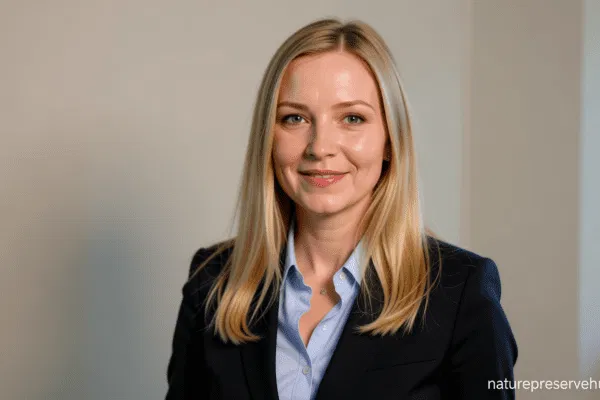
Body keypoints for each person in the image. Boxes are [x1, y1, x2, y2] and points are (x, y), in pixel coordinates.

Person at [165, 17, 518, 400]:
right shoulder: (212, 282)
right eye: (295, 118)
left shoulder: (460, 291)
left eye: (352, 118)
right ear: (269, 138)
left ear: (390, 140)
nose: (320, 147)